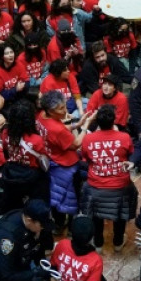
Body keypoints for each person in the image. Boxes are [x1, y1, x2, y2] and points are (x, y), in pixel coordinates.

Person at [80, 105, 136, 252]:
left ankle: (98, 244)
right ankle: (118, 243)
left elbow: (86, 158)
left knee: (96, 216)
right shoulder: (124, 137)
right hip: (120, 187)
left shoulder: (88, 139)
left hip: (95, 186)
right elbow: (130, 153)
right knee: (120, 214)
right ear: (114, 121)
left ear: (97, 122)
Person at [38, 90, 95, 230]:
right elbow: (75, 144)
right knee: (72, 196)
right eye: (61, 108)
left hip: (52, 161)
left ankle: (59, 223)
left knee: (56, 195)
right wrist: (85, 126)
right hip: (66, 165)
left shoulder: (41, 117)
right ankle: (70, 226)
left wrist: (77, 124)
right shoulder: (57, 129)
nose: (65, 111)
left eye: (64, 106)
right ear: (50, 111)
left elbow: (61, 130)